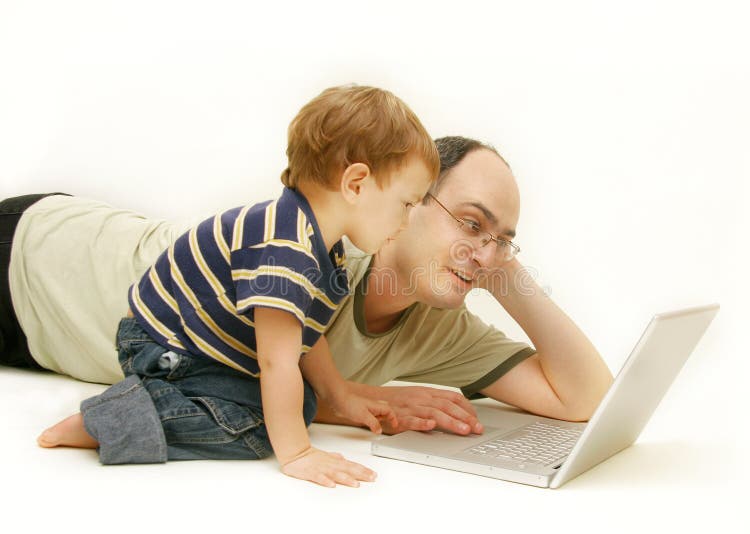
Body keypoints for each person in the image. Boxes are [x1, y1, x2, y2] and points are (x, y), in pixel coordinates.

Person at [2, 136, 612, 461]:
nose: (483, 252)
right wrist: (342, 399)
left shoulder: (440, 326)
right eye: (470, 224)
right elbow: (264, 376)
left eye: (503, 240)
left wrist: (502, 265)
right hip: (35, 257)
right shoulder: (324, 246)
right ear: (412, 201)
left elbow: (585, 400)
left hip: (40, 338)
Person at [30, 84, 440, 488]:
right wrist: (297, 453)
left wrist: (340, 395)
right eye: (406, 204)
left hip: (201, 345)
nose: (405, 222)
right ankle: (111, 421)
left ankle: (147, 407)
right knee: (259, 430)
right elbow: (276, 363)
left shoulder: (321, 246)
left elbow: (303, 337)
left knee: (303, 403)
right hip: (166, 346)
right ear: (355, 184)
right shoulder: (286, 248)